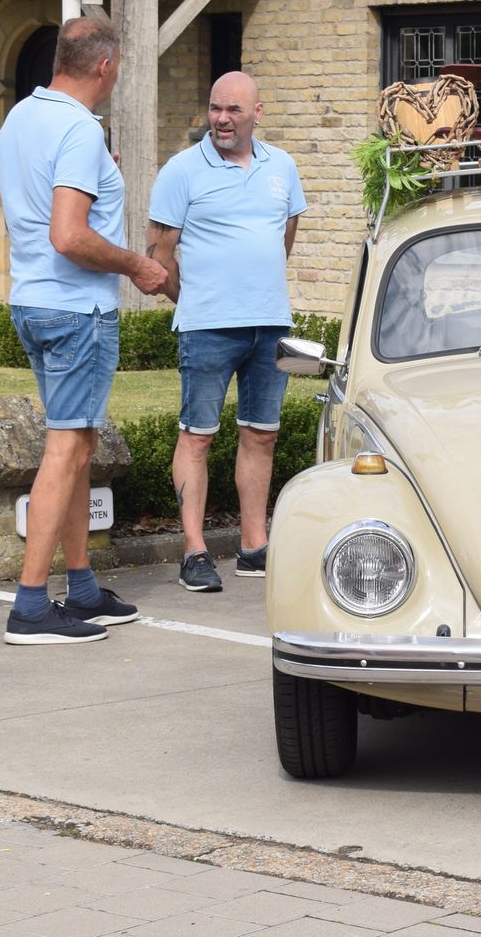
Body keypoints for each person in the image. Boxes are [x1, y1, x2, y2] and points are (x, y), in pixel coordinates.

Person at [0, 15, 170, 644]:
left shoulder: (21, 118)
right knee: (66, 448)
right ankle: (30, 607)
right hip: (74, 311)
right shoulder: (77, 128)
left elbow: (45, 200)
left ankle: (83, 589)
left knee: (78, 445)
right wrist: (137, 266)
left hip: (32, 302)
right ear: (105, 65)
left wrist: (100, 169)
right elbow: (68, 236)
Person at [146, 71, 307, 592]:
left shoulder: (282, 167)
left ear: (257, 113)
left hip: (270, 324)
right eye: (215, 108)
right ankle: (194, 552)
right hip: (207, 328)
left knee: (262, 433)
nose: (221, 119)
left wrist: (252, 289)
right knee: (198, 436)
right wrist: (198, 301)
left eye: (233, 110)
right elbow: (159, 256)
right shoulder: (180, 171)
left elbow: (284, 239)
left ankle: (254, 548)